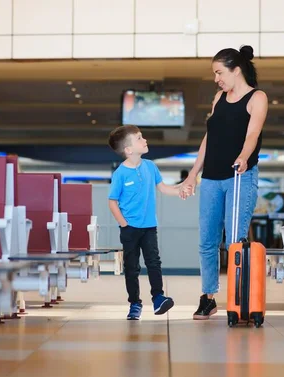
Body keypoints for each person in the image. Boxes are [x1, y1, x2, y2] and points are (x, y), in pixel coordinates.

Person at [179, 45, 268, 320]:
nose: (216, 78)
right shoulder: (219, 97)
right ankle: (208, 298)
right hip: (211, 179)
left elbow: (252, 134)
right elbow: (210, 138)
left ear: (236, 69)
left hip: (240, 177)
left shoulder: (257, 97)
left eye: (219, 72)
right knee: (206, 242)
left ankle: (239, 299)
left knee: (234, 242)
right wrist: (193, 174)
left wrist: (243, 156)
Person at [108, 124, 189, 320]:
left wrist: (182, 188)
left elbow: (163, 188)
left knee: (154, 262)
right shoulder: (120, 173)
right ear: (128, 150)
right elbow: (112, 202)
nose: (144, 140)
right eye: (139, 138)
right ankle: (134, 304)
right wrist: (124, 224)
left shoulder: (150, 166)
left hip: (149, 226)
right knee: (132, 267)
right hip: (130, 229)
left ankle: (158, 298)